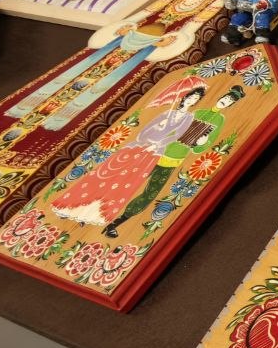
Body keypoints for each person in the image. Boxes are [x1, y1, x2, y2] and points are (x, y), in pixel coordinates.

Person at [51, 86, 206, 226]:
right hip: (138, 146)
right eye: (191, 97)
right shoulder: (167, 113)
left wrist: (157, 145)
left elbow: (177, 135)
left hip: (154, 151)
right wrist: (157, 127)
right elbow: (143, 131)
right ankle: (73, 205)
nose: (192, 100)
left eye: (196, 99)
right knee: (107, 173)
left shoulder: (188, 117)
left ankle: (96, 213)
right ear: (185, 97)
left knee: (128, 180)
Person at [103, 86, 244, 237]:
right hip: (156, 152)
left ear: (231, 105)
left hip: (173, 160)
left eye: (230, 101)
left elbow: (200, 148)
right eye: (226, 97)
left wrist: (202, 143)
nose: (226, 101)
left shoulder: (219, 120)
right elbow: (171, 130)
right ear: (221, 97)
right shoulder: (196, 112)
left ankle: (115, 224)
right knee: (128, 183)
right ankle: (100, 213)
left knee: (149, 194)